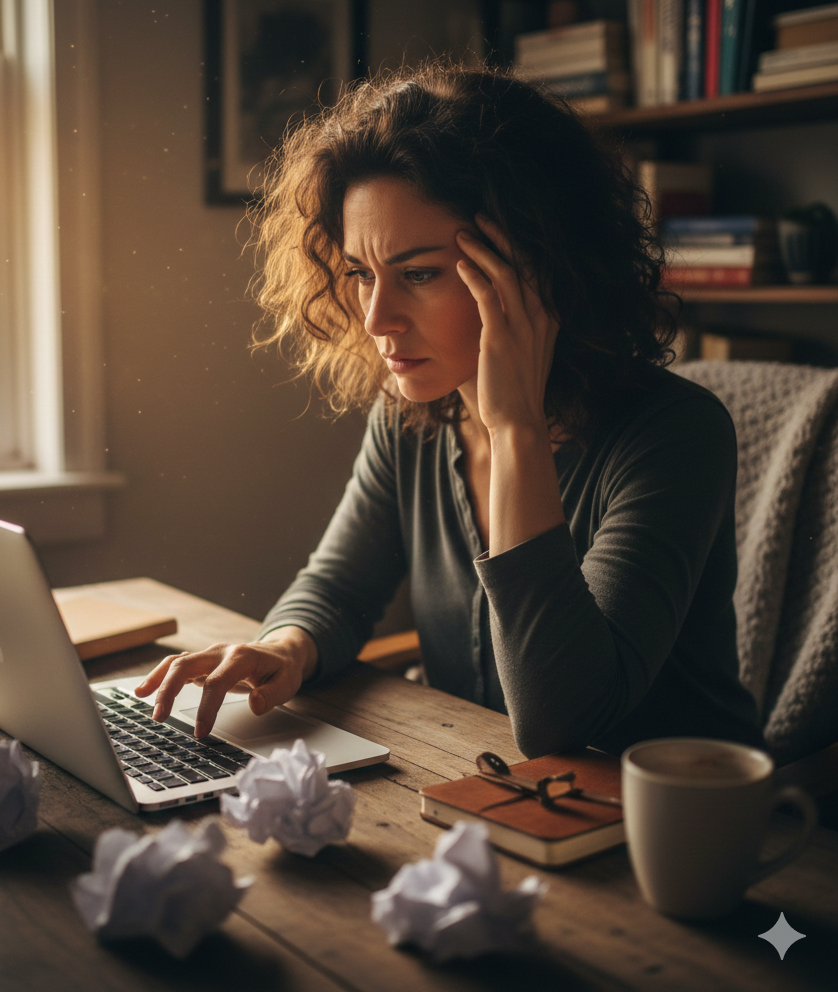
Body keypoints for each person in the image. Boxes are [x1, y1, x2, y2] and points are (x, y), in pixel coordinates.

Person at [136, 62, 763, 758]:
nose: (377, 319)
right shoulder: (413, 420)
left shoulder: (675, 435)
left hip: (673, 835)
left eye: (419, 274)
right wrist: (285, 649)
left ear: (536, 264)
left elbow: (564, 721)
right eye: (361, 273)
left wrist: (516, 430)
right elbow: (339, 590)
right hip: (490, 795)